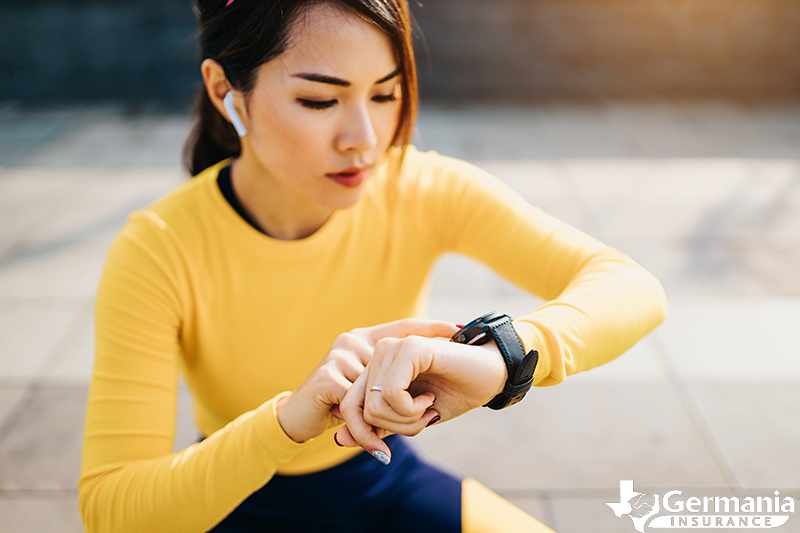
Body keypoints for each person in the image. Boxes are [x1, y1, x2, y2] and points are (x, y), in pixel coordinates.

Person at [77, 1, 668, 532]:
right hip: (225, 498)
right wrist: (287, 420)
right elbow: (114, 509)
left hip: (385, 483)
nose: (364, 139)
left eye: (385, 94)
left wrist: (504, 358)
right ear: (225, 90)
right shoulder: (159, 247)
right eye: (320, 100)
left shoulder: (420, 187)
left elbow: (631, 288)